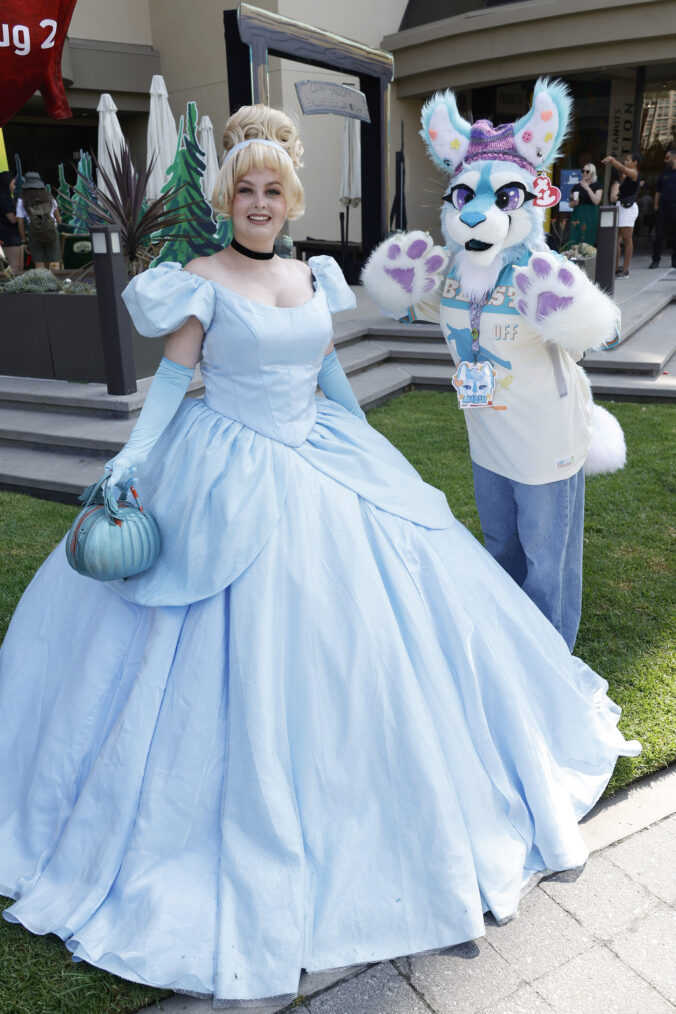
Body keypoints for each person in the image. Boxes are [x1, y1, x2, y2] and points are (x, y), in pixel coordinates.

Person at [0, 104, 640, 1010]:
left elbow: (328, 378)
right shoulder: (199, 280)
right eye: (247, 189)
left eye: (274, 190)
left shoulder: (311, 277)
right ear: (227, 197)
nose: (260, 202)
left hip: (317, 454)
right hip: (225, 466)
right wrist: (137, 459)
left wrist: (371, 454)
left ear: (290, 199)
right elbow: (178, 380)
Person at [602, 152, 641, 277]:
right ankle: (616, 268)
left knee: (627, 240)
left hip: (628, 209)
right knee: (616, 240)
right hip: (621, 206)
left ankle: (625, 270)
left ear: (635, 162)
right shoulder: (628, 177)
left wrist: (613, 160)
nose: (625, 161)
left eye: (628, 159)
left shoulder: (634, 173)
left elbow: (622, 169)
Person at [15, 170, 61, 269]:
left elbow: (20, 222)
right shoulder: (49, 197)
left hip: (34, 233)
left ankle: (42, 283)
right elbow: (58, 218)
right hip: (52, 231)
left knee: (39, 265)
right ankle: (57, 282)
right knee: (54, 263)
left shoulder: (22, 199)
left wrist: (24, 241)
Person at [649, 147, 676, 269]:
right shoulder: (664, 174)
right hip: (663, 208)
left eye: (667, 158)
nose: (665, 161)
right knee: (659, 235)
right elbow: (658, 191)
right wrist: (656, 204)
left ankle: (674, 261)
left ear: (674, 158)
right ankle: (655, 260)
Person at [567, 162, 603, 245]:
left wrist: (587, 188)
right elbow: (570, 204)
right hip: (578, 213)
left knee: (589, 236)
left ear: (592, 173)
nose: (584, 173)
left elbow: (596, 201)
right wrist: (574, 203)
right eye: (583, 171)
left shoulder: (597, 186)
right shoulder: (576, 186)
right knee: (574, 237)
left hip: (591, 214)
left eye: (587, 171)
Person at [0, 171, 24, 273]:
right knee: (14, 268)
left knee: (20, 267)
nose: (14, 187)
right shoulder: (3, 198)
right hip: (9, 236)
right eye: (13, 184)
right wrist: (23, 215)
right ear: (6, 184)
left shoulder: (8, 198)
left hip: (15, 236)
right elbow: (12, 219)